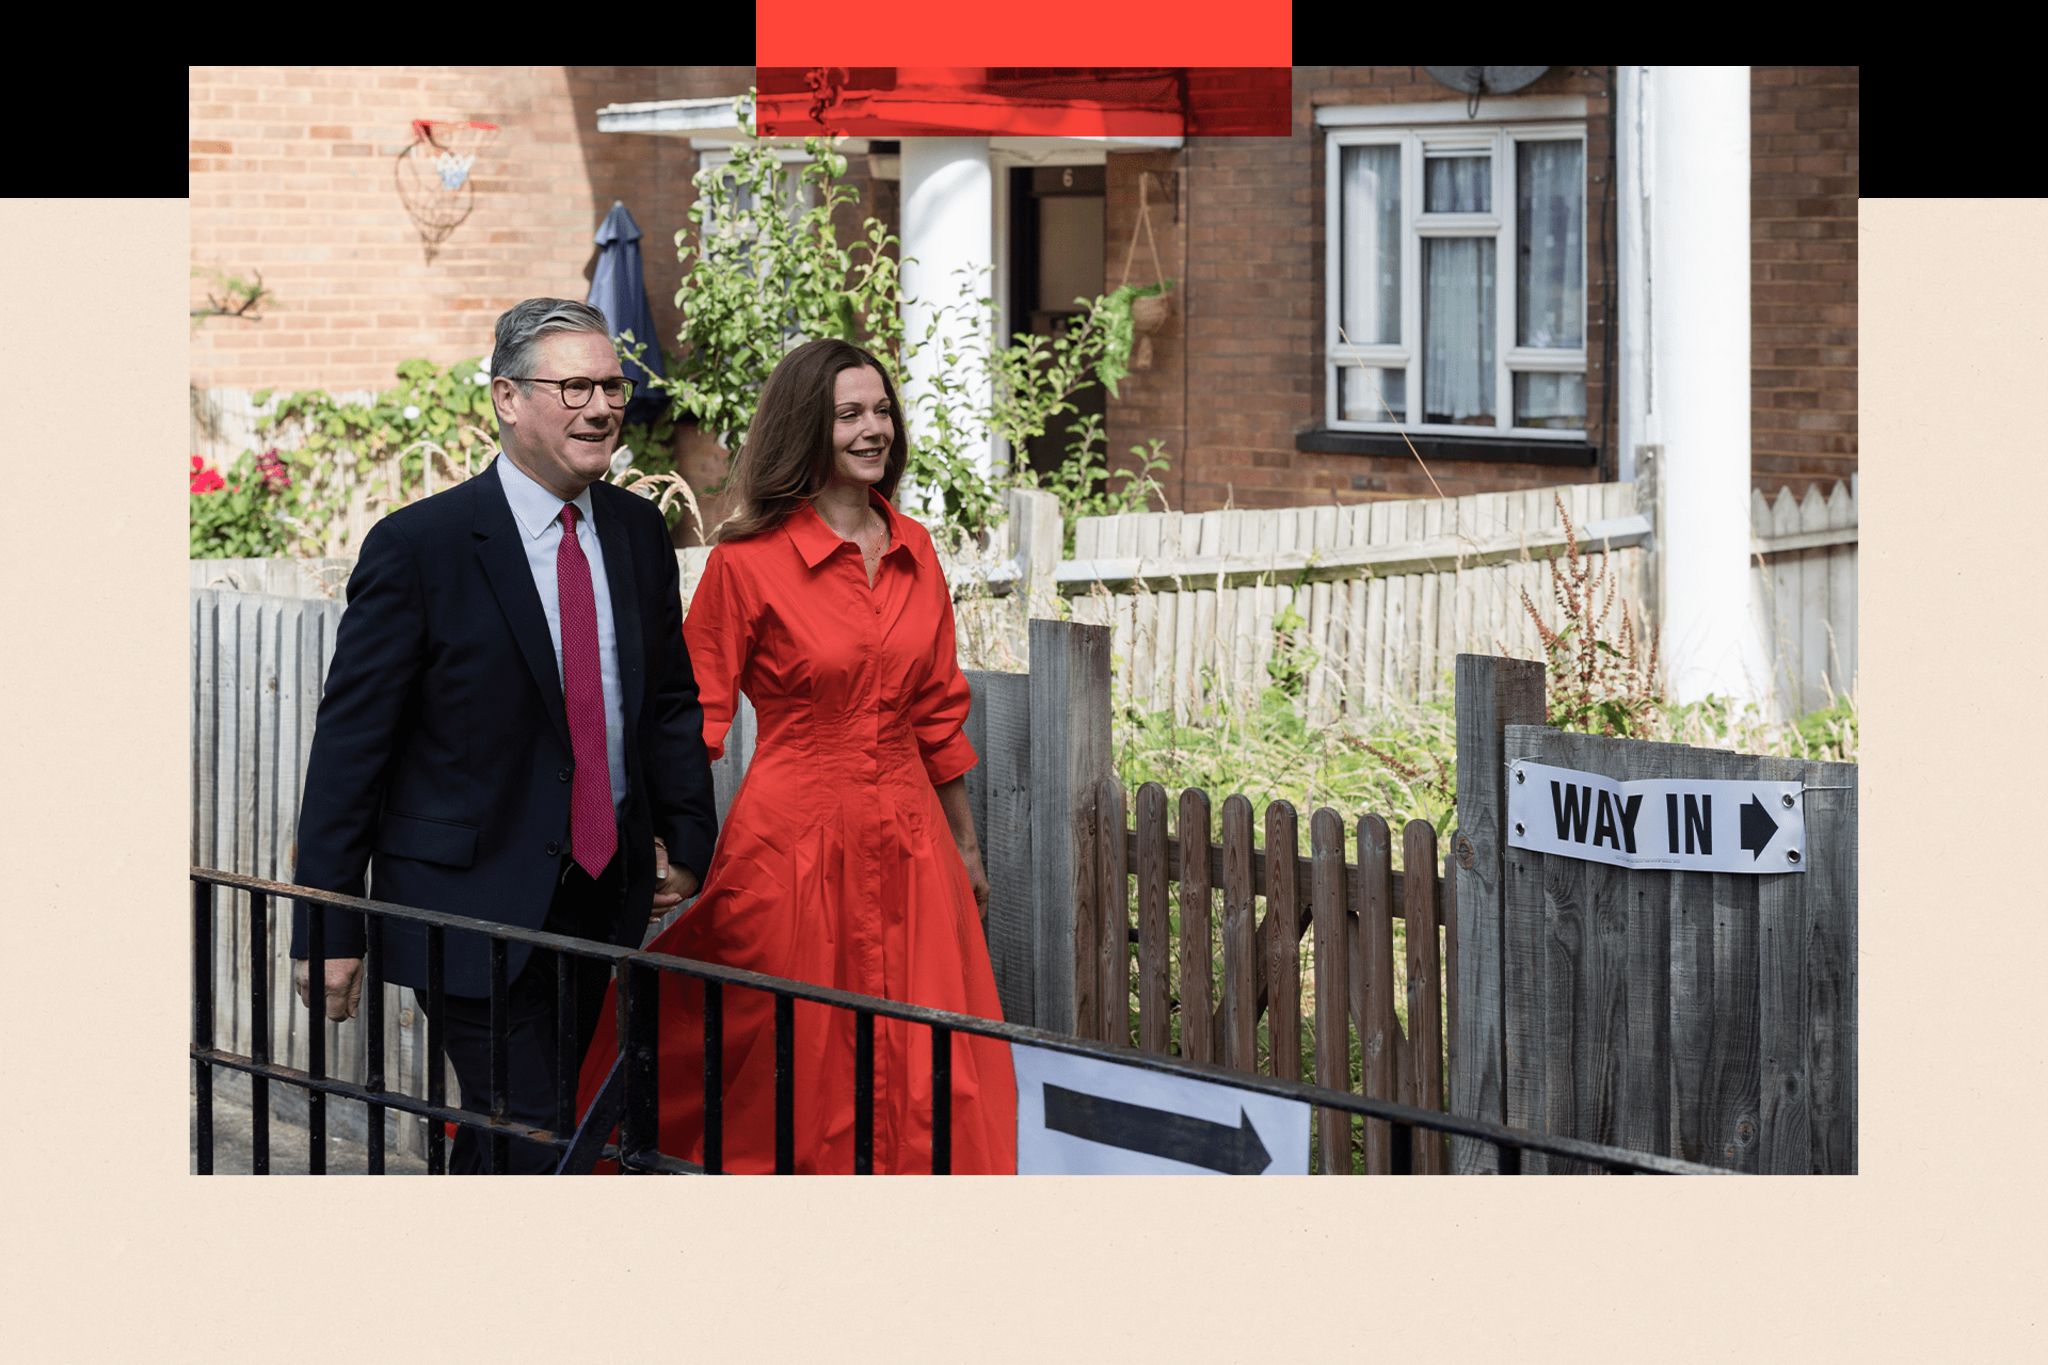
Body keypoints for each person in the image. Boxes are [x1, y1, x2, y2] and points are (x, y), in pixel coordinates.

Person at [289, 298, 719, 1174]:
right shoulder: (421, 547)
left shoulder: (638, 535)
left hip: (603, 893)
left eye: (612, 385)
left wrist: (686, 839)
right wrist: (326, 925)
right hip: (467, 903)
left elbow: (669, 701)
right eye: (574, 387)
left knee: (520, 1119)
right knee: (537, 1126)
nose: (602, 406)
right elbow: (350, 748)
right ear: (507, 399)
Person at [574, 337, 1018, 1173]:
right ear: (807, 427)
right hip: (794, 845)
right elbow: (691, 719)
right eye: (850, 413)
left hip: (914, 844)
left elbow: (934, 711)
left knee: (925, 1060)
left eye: (881, 409)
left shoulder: (917, 548)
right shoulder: (748, 564)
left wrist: (963, 843)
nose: (873, 427)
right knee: (785, 1055)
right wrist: (661, 845)